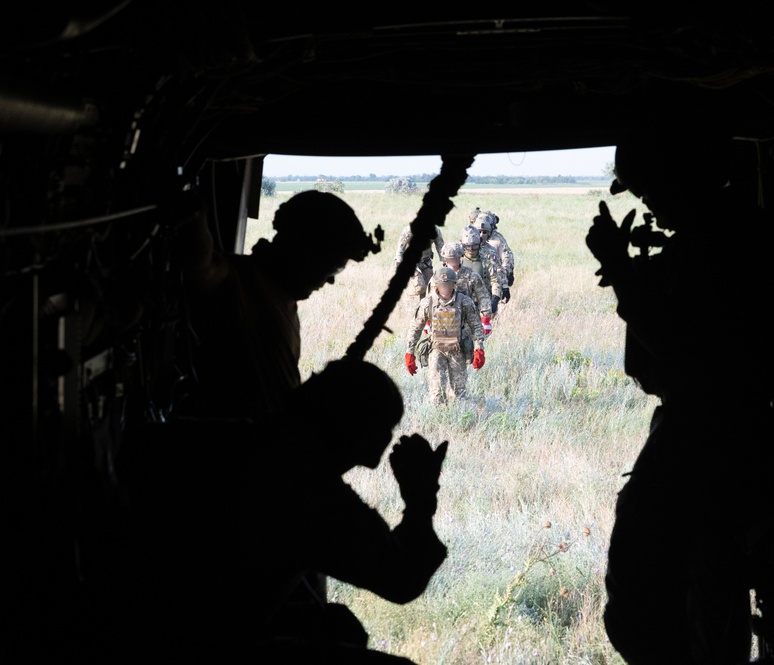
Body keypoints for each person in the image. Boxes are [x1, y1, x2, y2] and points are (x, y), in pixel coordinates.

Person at [590, 119, 774, 664]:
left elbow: (683, 357)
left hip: (713, 436)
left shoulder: (719, 248)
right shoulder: (745, 234)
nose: (650, 206)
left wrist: (623, 271)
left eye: (652, 190)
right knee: (731, 600)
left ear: (680, 179)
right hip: (754, 436)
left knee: (644, 600)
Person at [84, 358, 448, 663]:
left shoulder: (241, 439)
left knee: (333, 625)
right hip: (194, 644)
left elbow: (141, 449)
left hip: (118, 619)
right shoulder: (311, 495)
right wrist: (420, 500)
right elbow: (401, 580)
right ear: (371, 447)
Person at [173, 189, 380, 419]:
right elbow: (202, 270)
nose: (330, 279)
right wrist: (195, 216)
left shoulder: (282, 297)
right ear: (304, 253)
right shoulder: (242, 281)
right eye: (332, 267)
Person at [405, 266, 485, 405]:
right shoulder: (428, 302)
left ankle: (459, 421)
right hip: (436, 350)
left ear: (454, 284)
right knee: (437, 394)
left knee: (459, 394)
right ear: (436, 285)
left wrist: (479, 348)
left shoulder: (464, 301)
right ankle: (440, 421)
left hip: (457, 350)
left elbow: (476, 326)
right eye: (442, 285)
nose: (445, 288)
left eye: (448, 284)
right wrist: (409, 352)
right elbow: (415, 328)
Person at [439, 241, 494, 336]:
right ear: (445, 259)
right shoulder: (438, 276)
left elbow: (483, 296)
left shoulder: (471, 275)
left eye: (456, 258)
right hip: (443, 319)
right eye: (450, 259)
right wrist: (427, 321)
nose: (454, 261)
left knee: (468, 347)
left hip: (467, 320)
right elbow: (430, 299)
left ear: (460, 257)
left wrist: (486, 320)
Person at [458, 225, 506, 314]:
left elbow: (495, 280)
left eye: (474, 246)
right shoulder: (458, 262)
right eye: (468, 246)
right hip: (462, 304)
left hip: (484, 303)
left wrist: (495, 297)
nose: (471, 249)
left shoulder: (486, 261)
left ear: (479, 244)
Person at [395, 223, 445, 301]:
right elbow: (401, 246)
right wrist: (398, 261)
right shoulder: (410, 230)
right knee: (420, 287)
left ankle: (423, 307)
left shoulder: (435, 231)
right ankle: (409, 298)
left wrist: (445, 260)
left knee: (430, 288)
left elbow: (440, 246)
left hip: (426, 262)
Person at [472, 210, 515, 290]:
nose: (481, 234)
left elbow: (507, 257)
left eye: (485, 232)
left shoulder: (498, 240)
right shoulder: (471, 238)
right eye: (479, 231)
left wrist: (505, 274)